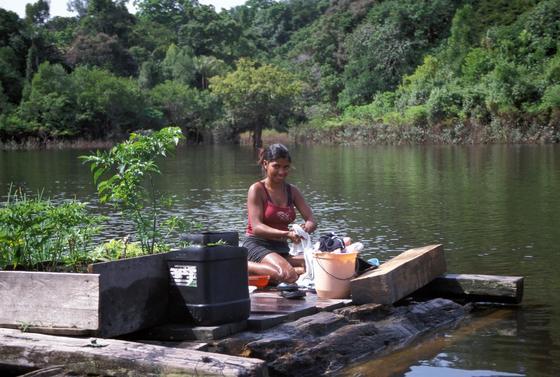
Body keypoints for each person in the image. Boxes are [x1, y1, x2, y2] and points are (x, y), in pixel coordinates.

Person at [243, 143, 317, 283]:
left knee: (321, 265)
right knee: (288, 275)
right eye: (276, 166)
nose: (282, 172)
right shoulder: (257, 189)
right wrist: (287, 234)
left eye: (286, 167)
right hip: (257, 246)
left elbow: (311, 219)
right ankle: (243, 265)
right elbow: (257, 228)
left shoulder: (292, 191)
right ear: (266, 164)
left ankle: (284, 269)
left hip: (280, 248)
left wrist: (306, 227)